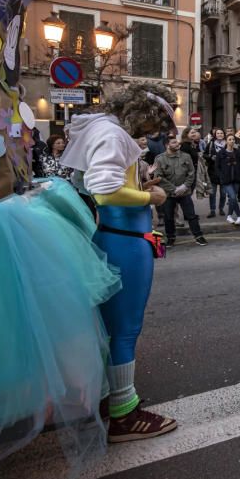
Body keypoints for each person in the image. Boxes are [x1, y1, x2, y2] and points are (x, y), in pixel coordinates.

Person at [59, 83, 178, 441]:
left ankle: (112, 399)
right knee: (124, 330)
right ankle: (125, 415)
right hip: (125, 243)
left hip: (119, 238)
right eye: (154, 124)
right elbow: (105, 189)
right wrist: (151, 195)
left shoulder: (103, 129)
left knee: (112, 329)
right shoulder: (112, 134)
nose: (152, 134)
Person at [154, 133, 208, 246]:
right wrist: (174, 189)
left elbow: (191, 173)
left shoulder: (185, 156)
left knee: (191, 215)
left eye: (177, 141)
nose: (177, 143)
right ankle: (171, 238)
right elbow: (159, 177)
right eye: (173, 142)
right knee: (169, 217)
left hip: (184, 192)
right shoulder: (160, 159)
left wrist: (184, 187)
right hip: (169, 194)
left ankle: (198, 236)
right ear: (167, 145)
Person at [216, 136, 240, 225]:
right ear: (226, 141)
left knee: (233, 198)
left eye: (233, 140)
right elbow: (217, 167)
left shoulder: (237, 152)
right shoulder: (221, 153)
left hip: (236, 179)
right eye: (230, 140)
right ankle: (239, 216)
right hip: (226, 180)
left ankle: (229, 216)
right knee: (232, 197)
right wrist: (221, 176)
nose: (232, 141)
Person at [203, 128, 226, 217]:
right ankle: (212, 210)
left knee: (223, 193)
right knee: (212, 193)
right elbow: (204, 154)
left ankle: (221, 208)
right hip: (213, 171)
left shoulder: (227, 144)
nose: (220, 134)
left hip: (224, 172)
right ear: (215, 135)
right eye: (218, 133)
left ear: (224, 135)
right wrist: (211, 157)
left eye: (221, 133)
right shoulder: (211, 144)